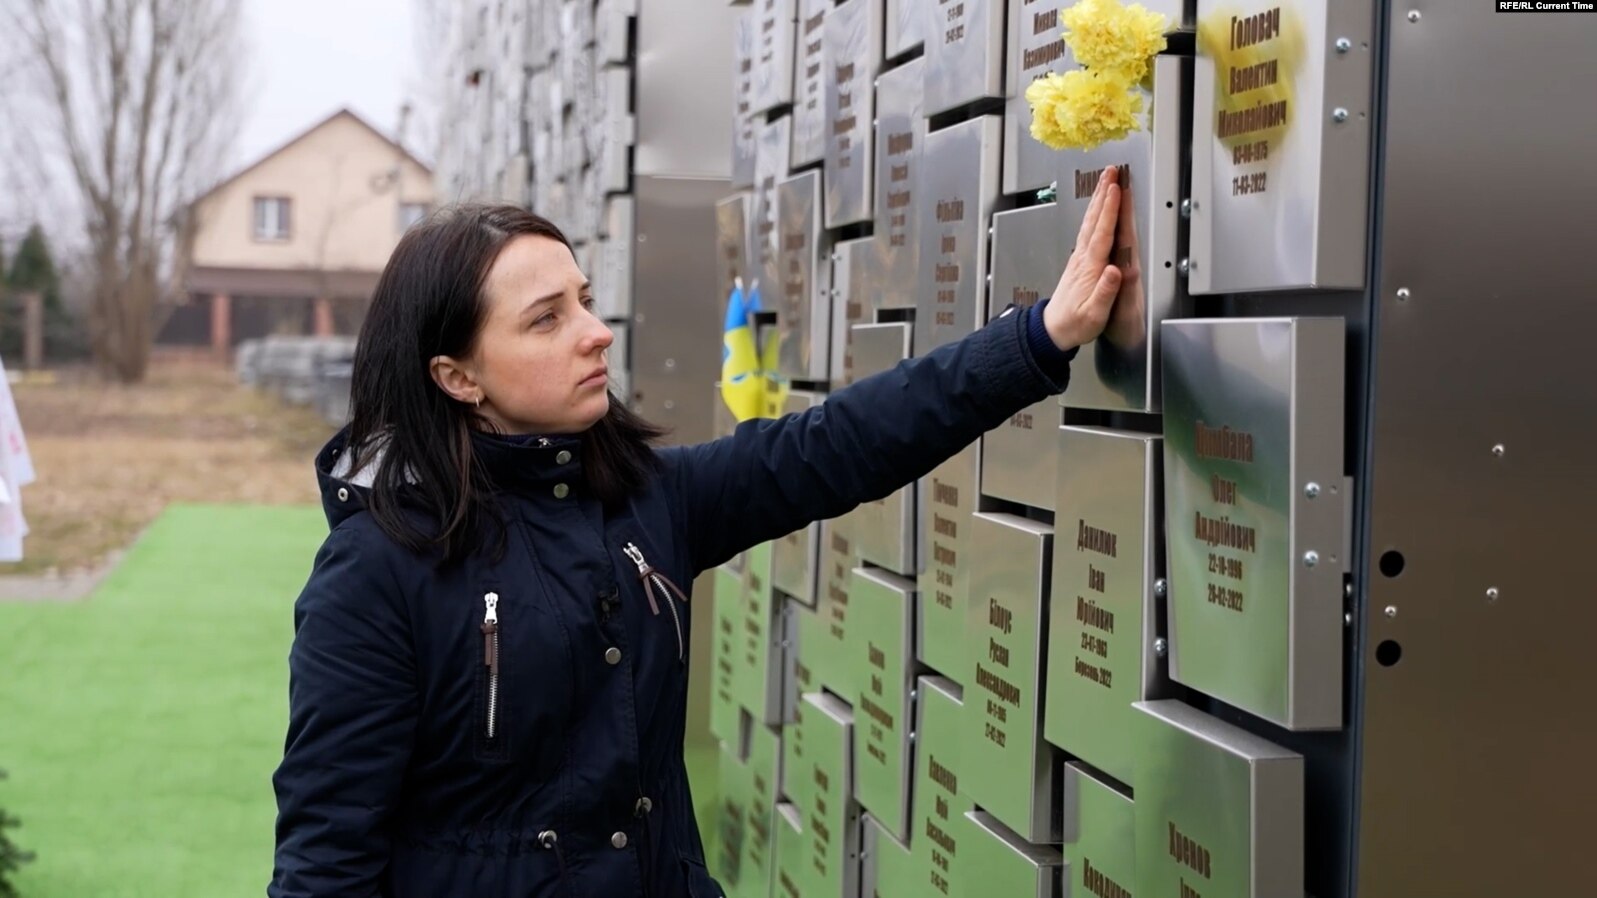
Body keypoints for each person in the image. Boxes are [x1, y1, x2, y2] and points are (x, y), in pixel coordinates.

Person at [268, 165, 1128, 898]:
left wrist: (1037, 338)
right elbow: (326, 855)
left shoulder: (644, 501)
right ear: (456, 376)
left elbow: (839, 445)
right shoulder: (375, 571)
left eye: (584, 301)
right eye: (546, 319)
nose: (595, 332)